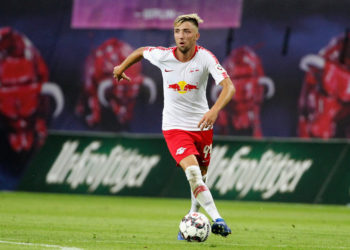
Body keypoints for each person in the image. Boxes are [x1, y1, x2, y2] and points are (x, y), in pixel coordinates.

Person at [113, 13, 235, 239]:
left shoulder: (206, 58)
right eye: (178, 31)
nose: (181, 36)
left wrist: (214, 110)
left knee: (201, 177)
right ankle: (218, 219)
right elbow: (141, 51)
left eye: (187, 32)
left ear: (196, 36)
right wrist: (121, 67)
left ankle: (191, 216)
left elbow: (229, 87)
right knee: (192, 172)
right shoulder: (164, 56)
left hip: (202, 125)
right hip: (174, 127)